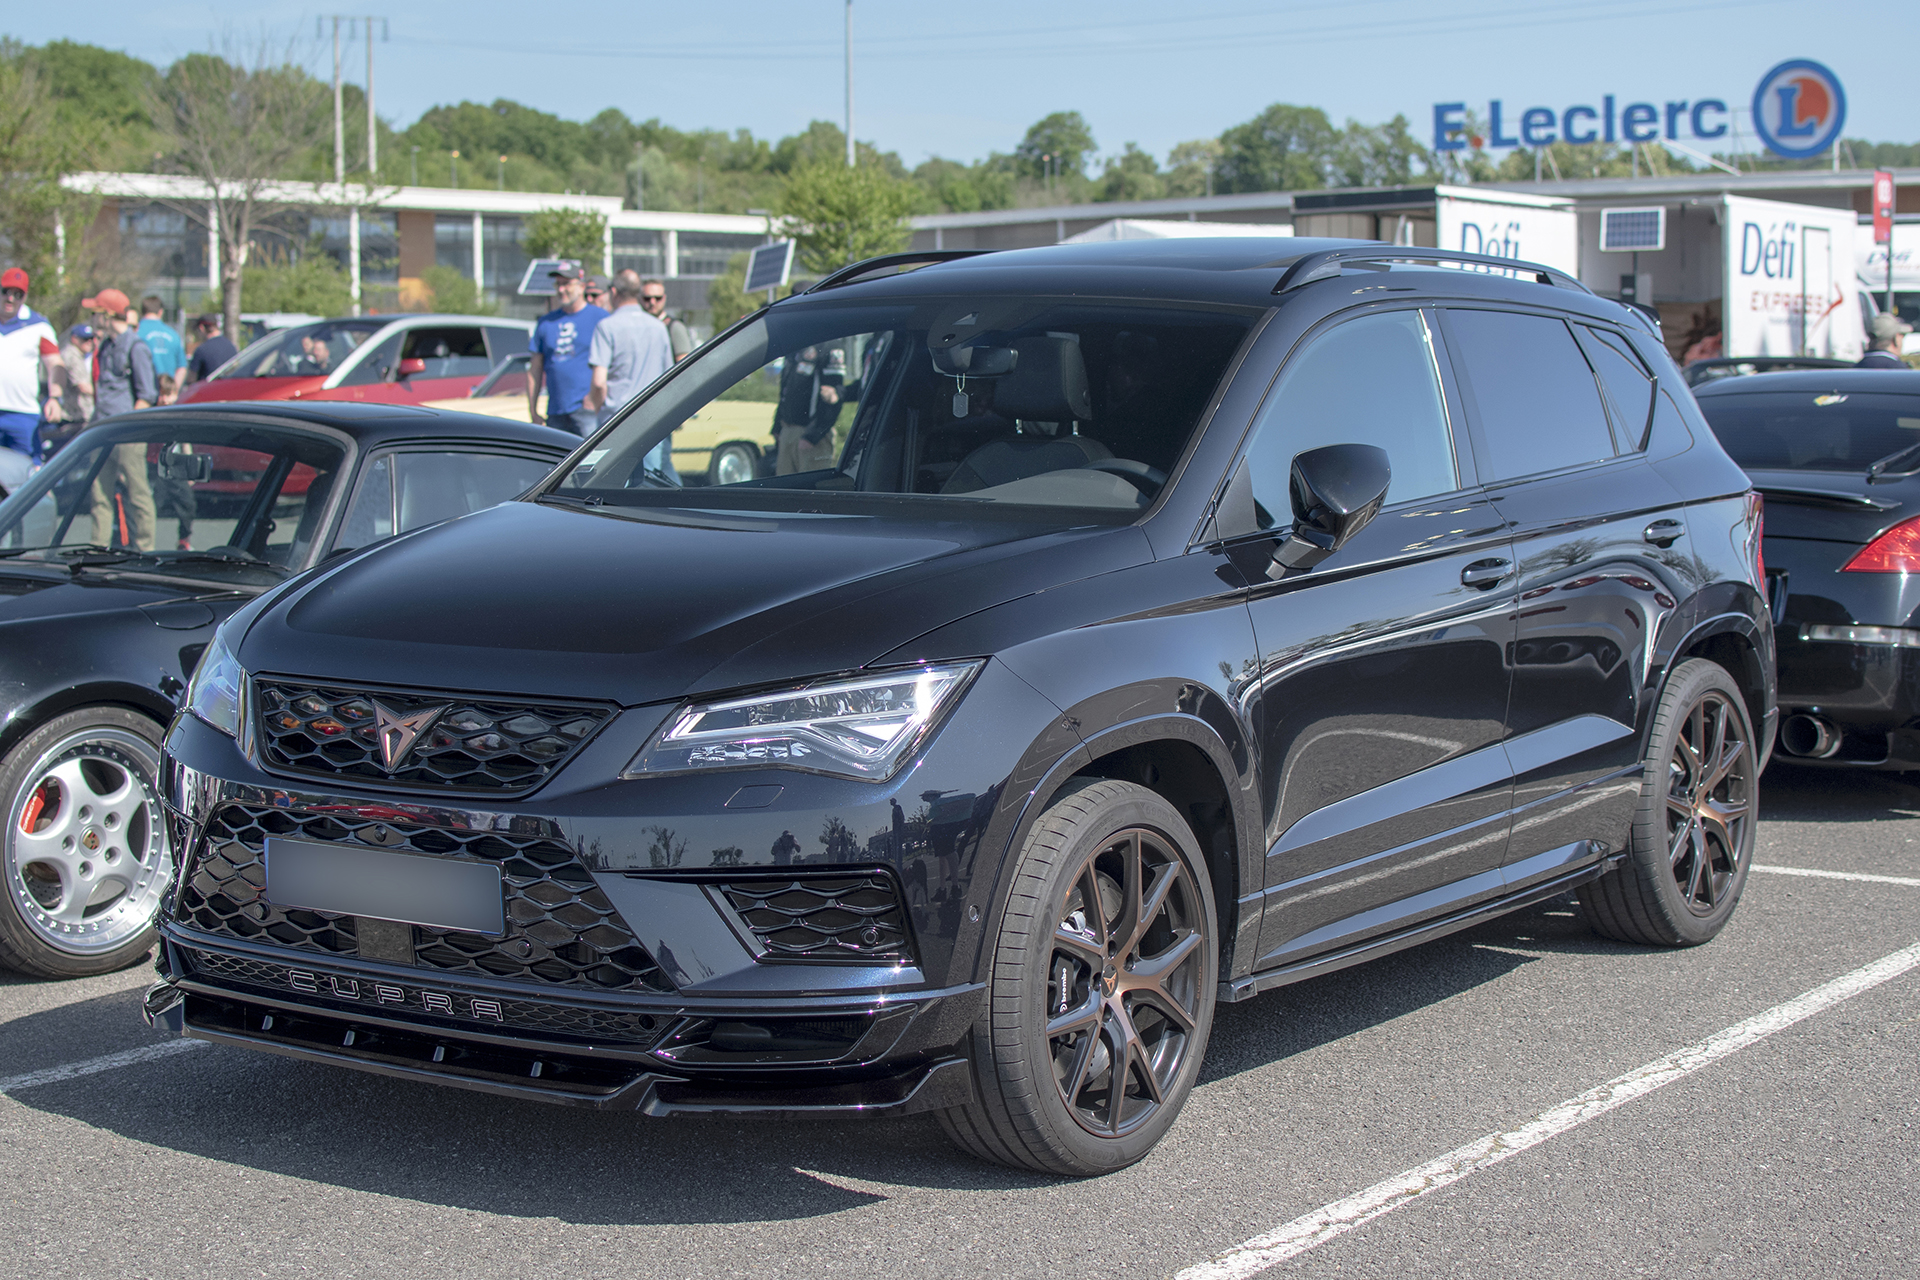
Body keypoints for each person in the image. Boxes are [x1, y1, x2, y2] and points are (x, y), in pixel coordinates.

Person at [82, 286, 157, 551]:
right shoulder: (105, 346)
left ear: (108, 314)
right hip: (103, 429)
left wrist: (132, 431)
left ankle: (145, 549)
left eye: (95, 312)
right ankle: (97, 548)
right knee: (99, 495)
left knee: (138, 494)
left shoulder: (135, 347)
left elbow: (147, 394)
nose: (92, 317)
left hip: (128, 433)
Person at [586, 269, 675, 478]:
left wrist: (598, 410)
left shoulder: (606, 327)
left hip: (616, 421)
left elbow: (599, 382)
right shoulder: (658, 328)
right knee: (652, 481)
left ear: (613, 291)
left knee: (614, 483)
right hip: (652, 418)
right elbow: (669, 378)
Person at [527, 262, 608, 435]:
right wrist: (533, 410)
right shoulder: (546, 323)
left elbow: (614, 363)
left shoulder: (600, 318)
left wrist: (596, 398)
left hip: (588, 410)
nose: (561, 289)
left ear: (581, 286)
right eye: (558, 284)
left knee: (592, 461)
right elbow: (535, 369)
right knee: (558, 460)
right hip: (555, 411)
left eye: (567, 284)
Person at [0, 266, 67, 461]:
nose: (10, 299)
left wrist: (56, 397)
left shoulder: (39, 326)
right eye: (6, 292)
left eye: (18, 294)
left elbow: (55, 363)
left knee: (27, 475)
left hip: (23, 414)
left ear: (25, 297)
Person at [772, 344, 843, 475]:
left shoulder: (828, 346)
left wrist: (813, 436)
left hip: (810, 436)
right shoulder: (795, 347)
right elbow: (785, 392)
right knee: (785, 489)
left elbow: (832, 396)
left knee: (810, 489)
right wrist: (777, 427)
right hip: (787, 430)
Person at [639, 279, 693, 362]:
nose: (652, 302)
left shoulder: (674, 327)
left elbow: (684, 363)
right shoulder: (638, 326)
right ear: (640, 299)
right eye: (647, 298)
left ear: (664, 298)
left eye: (658, 298)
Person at [137, 295, 184, 380]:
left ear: (142, 311)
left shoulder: (136, 332)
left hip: (142, 389)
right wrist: (173, 390)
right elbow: (182, 367)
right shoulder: (173, 334)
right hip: (167, 390)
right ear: (161, 311)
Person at [185, 313, 237, 384]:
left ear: (201, 328)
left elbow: (191, 378)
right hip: (229, 390)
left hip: (208, 391)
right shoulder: (231, 347)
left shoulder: (202, 350)